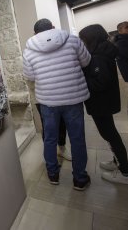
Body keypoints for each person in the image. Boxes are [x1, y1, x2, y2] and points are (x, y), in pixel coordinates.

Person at [23, 18, 91, 191]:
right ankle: (80, 179)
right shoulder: (72, 40)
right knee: (77, 138)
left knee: (50, 138)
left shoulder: (29, 50)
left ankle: (53, 174)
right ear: (53, 28)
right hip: (73, 98)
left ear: (35, 33)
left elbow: (30, 76)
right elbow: (86, 61)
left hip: (48, 101)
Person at [79, 24, 128, 186]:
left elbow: (99, 83)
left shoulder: (98, 56)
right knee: (111, 134)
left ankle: (126, 173)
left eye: (83, 39)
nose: (82, 43)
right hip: (105, 102)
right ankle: (117, 162)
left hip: (101, 103)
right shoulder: (104, 51)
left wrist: (81, 78)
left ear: (92, 39)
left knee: (110, 135)